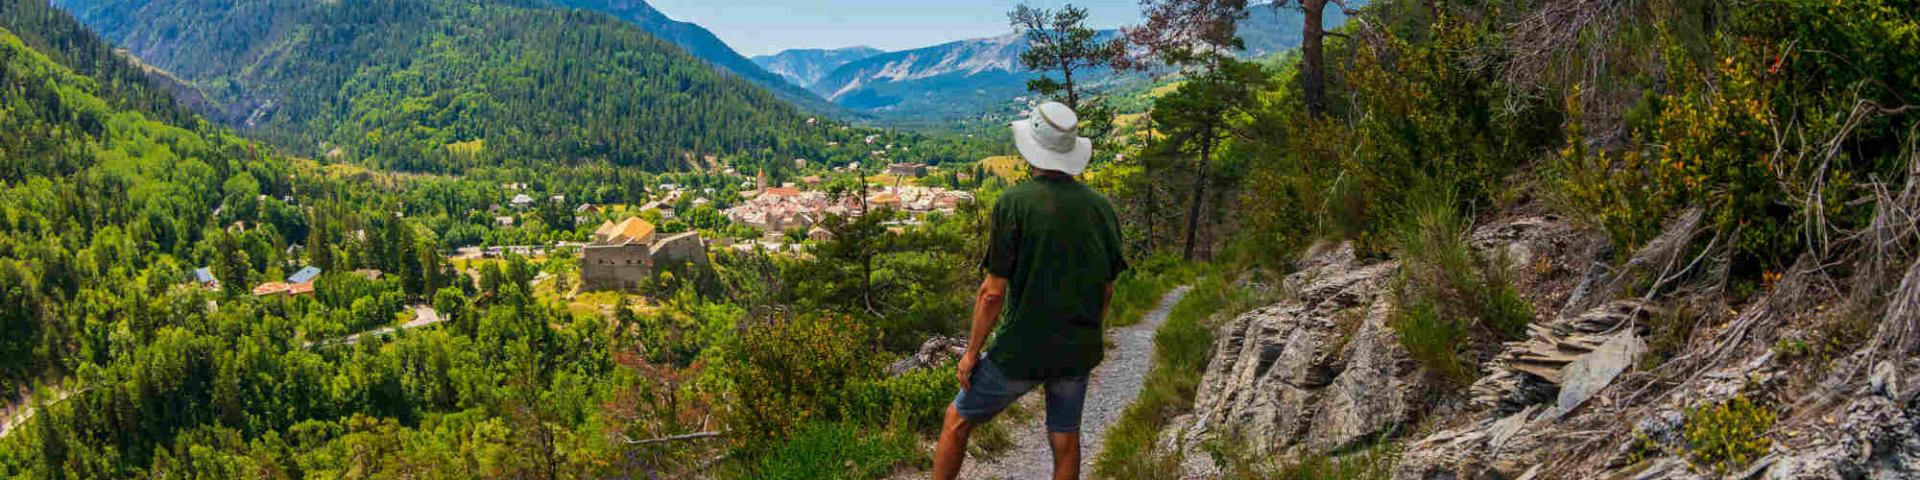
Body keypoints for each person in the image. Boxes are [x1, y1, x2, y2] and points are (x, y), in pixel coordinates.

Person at [931, 102, 1129, 480]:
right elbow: (1107, 289)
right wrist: (1089, 330)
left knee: (956, 420)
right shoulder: (1100, 208)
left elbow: (992, 293)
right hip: (1077, 346)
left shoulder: (1014, 204)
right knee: (1065, 438)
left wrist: (971, 352)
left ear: (1032, 148)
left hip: (1022, 349)